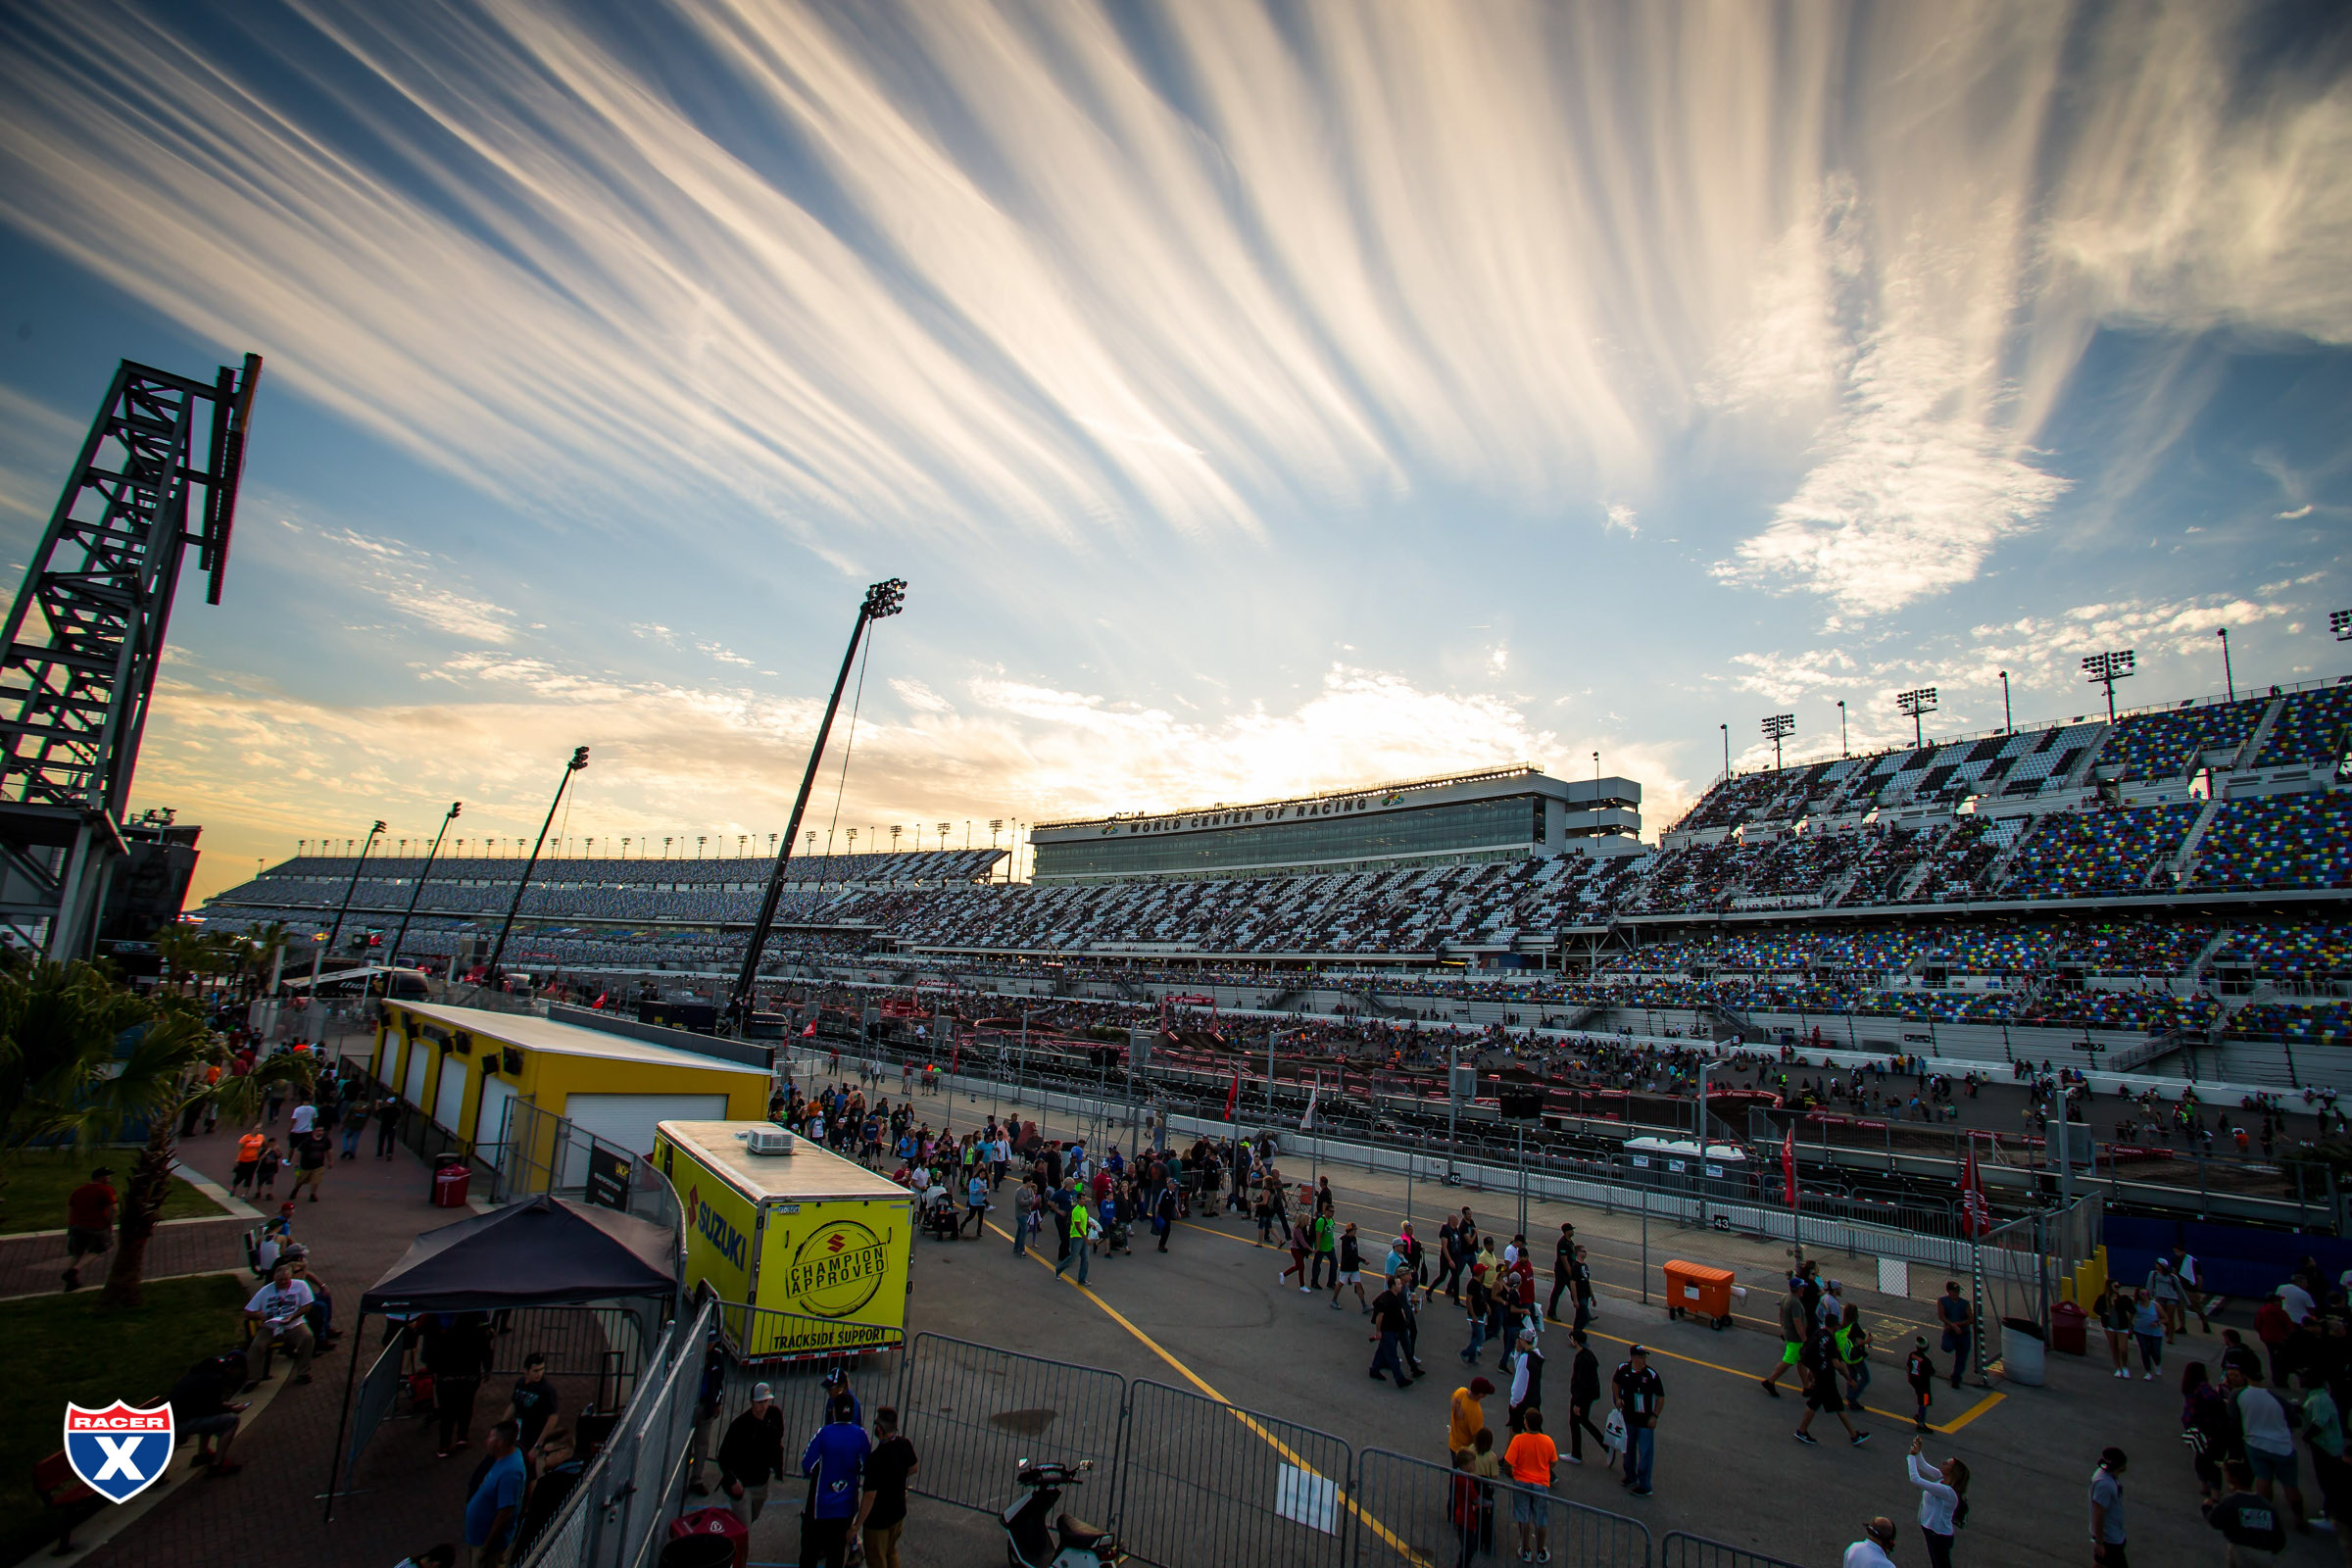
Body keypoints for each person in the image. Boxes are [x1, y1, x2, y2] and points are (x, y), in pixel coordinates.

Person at [2227, 1364, 2308, 1531]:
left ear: (2245, 1377)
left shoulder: (2238, 1395)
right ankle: (2299, 1519)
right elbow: (2295, 1421)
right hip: (2282, 1446)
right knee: (2290, 1485)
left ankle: (2265, 1515)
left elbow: (2233, 1418)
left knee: (2263, 1480)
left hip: (2255, 1443)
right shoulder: (2277, 1398)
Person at [800, 1394, 871, 1568]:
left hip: (820, 1506)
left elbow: (807, 1464)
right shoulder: (861, 1435)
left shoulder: (824, 1434)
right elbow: (866, 1467)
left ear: (834, 1413)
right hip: (845, 1507)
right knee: (837, 1553)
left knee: (809, 1551)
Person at [168, 1350, 249, 1476]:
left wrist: (228, 1405)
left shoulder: (202, 1372)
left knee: (210, 1417)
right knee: (231, 1421)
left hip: (174, 1418)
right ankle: (218, 1464)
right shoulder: (215, 1379)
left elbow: (203, 1404)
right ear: (232, 1368)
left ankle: (203, 1454)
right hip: (178, 1424)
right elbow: (210, 1408)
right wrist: (232, 1409)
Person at [856, 1405, 916, 1568]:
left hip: (878, 1521)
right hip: (898, 1513)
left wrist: (856, 1526)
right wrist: (898, 1475)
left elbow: (869, 1497)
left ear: (880, 1429)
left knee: (876, 1558)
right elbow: (914, 1467)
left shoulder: (875, 1459)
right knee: (891, 1552)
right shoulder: (904, 1444)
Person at [243, 1258, 317, 1390]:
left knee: (307, 1337)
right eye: (279, 1280)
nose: (282, 1282)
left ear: (290, 1277)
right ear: (274, 1279)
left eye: (285, 1280)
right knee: (257, 1346)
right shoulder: (266, 1291)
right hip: (270, 1327)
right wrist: (260, 1315)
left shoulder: (300, 1285)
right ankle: (253, 1378)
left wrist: (292, 1316)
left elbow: (307, 1305)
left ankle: (303, 1372)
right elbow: (248, 1312)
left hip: (293, 1324)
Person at [462, 1420, 526, 1568]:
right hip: (477, 1538)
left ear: (500, 1443)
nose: (487, 1441)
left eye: (490, 1438)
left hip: (488, 1546)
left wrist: (487, 1546)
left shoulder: (511, 1473)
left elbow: (505, 1512)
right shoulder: (500, 1459)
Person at [1795, 1321, 1870, 1447]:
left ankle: (1853, 1435)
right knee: (1817, 1404)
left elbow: (1815, 1353)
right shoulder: (1830, 1341)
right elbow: (1837, 1364)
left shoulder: (1819, 1334)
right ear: (1834, 1326)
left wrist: (1812, 1372)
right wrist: (1849, 1379)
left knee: (1835, 1406)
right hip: (1826, 1378)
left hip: (1821, 1375)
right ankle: (1801, 1431)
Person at [2205, 1459, 2288, 1565]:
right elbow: (2280, 1540)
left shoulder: (2232, 1501)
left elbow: (2214, 1521)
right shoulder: (2267, 1506)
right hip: (2265, 1555)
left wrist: (2207, 1508)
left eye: (2225, 1471)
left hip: (2241, 1550)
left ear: (2233, 1478)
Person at [1501, 1407, 1556, 1564]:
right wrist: (1544, 1470)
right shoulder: (1547, 1441)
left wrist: (1513, 1473)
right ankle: (1540, 1551)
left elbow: (1508, 1462)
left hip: (1521, 1481)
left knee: (1523, 1517)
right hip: (1540, 1483)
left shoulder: (1518, 1440)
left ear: (1526, 1423)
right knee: (1541, 1519)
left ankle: (1525, 1548)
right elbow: (1553, 1462)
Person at [1907, 1435, 1968, 1568]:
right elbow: (1923, 1466)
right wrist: (1918, 1452)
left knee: (1940, 1565)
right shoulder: (1942, 1478)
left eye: (1947, 1464)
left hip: (1938, 1535)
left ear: (1953, 1472)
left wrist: (1911, 1456)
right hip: (1932, 1530)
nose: (1943, 1463)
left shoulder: (1947, 1491)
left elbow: (1915, 1479)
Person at [1611, 1344, 1663, 1496]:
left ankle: (1645, 1484)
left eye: (1644, 1357)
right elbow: (1615, 1382)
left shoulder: (1651, 1375)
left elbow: (1661, 1397)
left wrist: (1655, 1416)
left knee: (1645, 1452)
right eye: (1641, 1357)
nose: (1643, 1360)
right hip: (1628, 1418)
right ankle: (1630, 1476)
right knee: (1628, 1450)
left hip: (1644, 1421)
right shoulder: (1623, 1369)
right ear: (1633, 1358)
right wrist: (1618, 1398)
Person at [1565, 1330, 1606, 1469]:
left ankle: (1576, 1454)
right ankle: (1605, 1445)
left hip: (1581, 1398)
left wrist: (1577, 1403)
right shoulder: (1589, 1355)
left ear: (1576, 1341)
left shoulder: (1581, 1359)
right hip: (1589, 1396)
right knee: (1583, 1421)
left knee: (1575, 1422)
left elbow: (1581, 1382)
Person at [1761, 1277, 1807, 1396]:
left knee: (1801, 1361)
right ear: (1798, 1289)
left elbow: (1780, 1313)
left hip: (1789, 1333)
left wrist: (1783, 1326)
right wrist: (1804, 1339)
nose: (1804, 1289)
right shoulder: (1795, 1303)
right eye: (1802, 1287)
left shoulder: (1786, 1297)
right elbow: (1797, 1322)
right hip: (1795, 1338)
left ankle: (1807, 1386)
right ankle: (1770, 1380)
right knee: (1788, 1361)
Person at [506, 1353, 559, 1450]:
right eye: (536, 1371)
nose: (540, 1374)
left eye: (542, 1369)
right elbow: (514, 1404)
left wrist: (538, 1444)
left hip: (534, 1434)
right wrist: (502, 1425)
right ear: (526, 1371)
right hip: (519, 1431)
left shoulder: (547, 1390)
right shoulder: (520, 1383)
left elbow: (553, 1417)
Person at [1369, 1276, 1414, 1388]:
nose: (1401, 1286)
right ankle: (1400, 1379)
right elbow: (1380, 1316)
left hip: (1393, 1330)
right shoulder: (1387, 1299)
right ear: (1393, 1286)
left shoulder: (1394, 1296)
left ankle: (1374, 1369)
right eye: (1398, 1284)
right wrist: (1378, 1331)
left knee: (1381, 1351)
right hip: (1387, 1331)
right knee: (1393, 1356)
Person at [2090, 1447, 2129, 1567]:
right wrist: (2099, 1542)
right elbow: (2098, 1513)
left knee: (2100, 1564)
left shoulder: (2108, 1477)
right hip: (2109, 1539)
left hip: (2114, 1534)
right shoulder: (2104, 1485)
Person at [1507, 1327, 1545, 1435]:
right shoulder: (1538, 1356)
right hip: (1535, 1399)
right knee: (1535, 1431)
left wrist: (1514, 1402)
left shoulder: (1525, 1358)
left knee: (1515, 1430)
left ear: (1522, 1340)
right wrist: (1518, 1352)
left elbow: (1519, 1383)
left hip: (1523, 1402)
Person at [1936, 1281, 1974, 1388]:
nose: (1957, 1293)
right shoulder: (1942, 1301)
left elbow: (1970, 1319)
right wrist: (1952, 1326)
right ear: (1948, 1291)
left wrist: (1957, 1324)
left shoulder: (1964, 1303)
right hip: (1951, 1332)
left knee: (1961, 1358)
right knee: (1946, 1347)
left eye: (1958, 1291)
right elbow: (1941, 1316)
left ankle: (1956, 1378)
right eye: (1954, 1291)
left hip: (1963, 1333)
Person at [2094, 1281, 2133, 1379]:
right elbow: (2096, 1309)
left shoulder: (2123, 1299)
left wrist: (2129, 1322)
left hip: (2122, 1326)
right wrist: (2104, 1313)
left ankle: (2124, 1367)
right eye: (2116, 1286)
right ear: (2110, 1287)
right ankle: (2118, 1368)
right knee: (2114, 1347)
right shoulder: (2103, 1298)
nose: (2118, 1287)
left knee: (2123, 1348)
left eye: (2118, 1286)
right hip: (2109, 1326)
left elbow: (2132, 1310)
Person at [1449, 1377, 1494, 1459]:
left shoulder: (1460, 1391)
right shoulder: (1476, 1411)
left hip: (1452, 1442)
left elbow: (1453, 1403)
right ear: (1480, 1394)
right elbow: (1476, 1436)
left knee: (1454, 1469)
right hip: (1465, 1451)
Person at [2130, 1289, 2166, 1380]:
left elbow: (2165, 1318)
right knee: (2145, 1351)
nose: (2145, 1295)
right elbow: (2130, 1317)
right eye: (2142, 1293)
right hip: (2140, 1332)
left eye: (2146, 1293)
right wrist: (2130, 1328)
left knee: (2155, 1352)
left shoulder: (2155, 1305)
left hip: (2155, 1333)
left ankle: (2157, 1364)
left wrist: (2157, 1323)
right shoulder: (2136, 1305)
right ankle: (2148, 1371)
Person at [1905, 1336, 1936, 1431]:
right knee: (1924, 1402)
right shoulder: (1926, 1361)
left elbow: (1908, 1366)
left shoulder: (1912, 1355)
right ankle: (1921, 1424)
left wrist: (1909, 1377)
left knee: (1920, 1397)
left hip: (1914, 1380)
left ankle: (1920, 1415)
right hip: (1924, 1385)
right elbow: (1932, 1372)